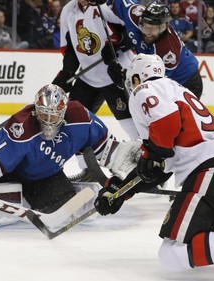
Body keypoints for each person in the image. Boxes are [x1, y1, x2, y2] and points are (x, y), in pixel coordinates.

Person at [94, 53, 214, 273]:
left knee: (171, 253)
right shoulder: (174, 89)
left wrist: (151, 156)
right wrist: (120, 192)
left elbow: (165, 130)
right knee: (203, 231)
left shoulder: (144, 90)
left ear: (138, 78)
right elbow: (159, 169)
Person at [0, 84, 140, 231]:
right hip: (12, 173)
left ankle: (22, 200)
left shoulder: (81, 118)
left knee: (71, 213)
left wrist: (131, 160)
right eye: (44, 114)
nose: (48, 121)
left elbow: (108, 148)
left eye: (53, 115)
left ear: (64, 111)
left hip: (46, 178)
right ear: (36, 110)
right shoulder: (23, 125)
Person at [52, 0, 139, 181]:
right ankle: (87, 170)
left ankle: (144, 167)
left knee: (132, 122)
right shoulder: (68, 10)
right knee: (73, 122)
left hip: (116, 73)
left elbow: (133, 32)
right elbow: (70, 48)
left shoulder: (107, 6)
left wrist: (117, 45)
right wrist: (67, 72)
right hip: (88, 78)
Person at [104, 1, 203, 99]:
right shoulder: (135, 16)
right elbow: (121, 3)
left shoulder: (166, 52)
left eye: (153, 29)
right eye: (146, 27)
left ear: (163, 28)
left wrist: (125, 79)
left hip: (187, 83)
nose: (148, 34)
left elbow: (150, 83)